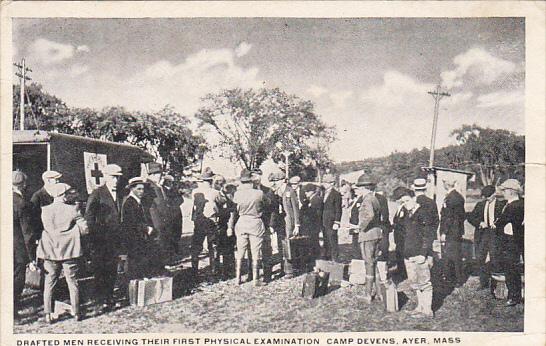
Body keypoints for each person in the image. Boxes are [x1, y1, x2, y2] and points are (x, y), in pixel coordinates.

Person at [37, 183, 87, 323]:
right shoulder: (73, 210)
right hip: (69, 251)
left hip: (50, 250)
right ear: (63, 195)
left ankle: (47, 313)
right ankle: (76, 312)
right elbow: (85, 229)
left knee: (50, 281)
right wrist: (76, 230)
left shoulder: (45, 210)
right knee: (72, 281)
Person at [85, 163, 124, 315]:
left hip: (115, 239)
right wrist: (95, 237)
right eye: (113, 177)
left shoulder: (120, 193)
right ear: (106, 177)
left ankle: (109, 297)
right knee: (101, 270)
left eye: (117, 178)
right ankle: (101, 300)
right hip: (101, 240)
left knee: (112, 270)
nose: (115, 181)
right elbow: (89, 217)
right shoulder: (97, 193)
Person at [392, 187, 435, 318]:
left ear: (413, 198)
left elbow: (429, 235)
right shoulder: (406, 214)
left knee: (424, 283)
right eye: (402, 202)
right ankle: (420, 307)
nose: (405, 204)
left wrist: (423, 254)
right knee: (414, 283)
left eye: (406, 200)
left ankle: (427, 310)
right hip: (408, 254)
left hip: (419, 254)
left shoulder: (423, 213)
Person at [229, 169, 267, 286]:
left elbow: (233, 211)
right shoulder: (259, 193)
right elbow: (267, 203)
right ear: (251, 181)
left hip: (242, 223)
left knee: (240, 252)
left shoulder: (237, 194)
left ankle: (237, 279)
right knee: (255, 253)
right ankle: (256, 280)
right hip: (255, 222)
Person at [467, 185, 506, 291]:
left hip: (496, 235)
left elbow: (506, 219)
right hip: (483, 234)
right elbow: (470, 217)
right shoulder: (480, 204)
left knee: (496, 258)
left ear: (494, 194)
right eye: (486, 197)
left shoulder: (502, 205)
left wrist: (498, 225)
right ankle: (483, 282)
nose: (488, 199)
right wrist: (479, 223)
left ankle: (496, 284)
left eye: (489, 196)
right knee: (480, 258)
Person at [353, 174, 383, 303]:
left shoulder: (366, 199)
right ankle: (380, 293)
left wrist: (361, 227)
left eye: (359, 187)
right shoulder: (375, 198)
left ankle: (367, 295)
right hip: (376, 233)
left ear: (365, 188)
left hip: (367, 235)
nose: (358, 190)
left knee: (368, 263)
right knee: (374, 263)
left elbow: (370, 215)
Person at [495, 179, 524, 306]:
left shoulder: (515, 206)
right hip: (509, 240)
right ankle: (513, 295)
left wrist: (498, 223)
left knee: (511, 269)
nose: (503, 193)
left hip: (512, 242)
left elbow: (502, 221)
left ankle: (514, 296)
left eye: (505, 190)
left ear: (512, 191)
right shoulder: (513, 204)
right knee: (510, 268)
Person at [13, 171, 36, 322]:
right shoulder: (21, 203)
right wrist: (32, 257)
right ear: (24, 184)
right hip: (17, 249)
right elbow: (27, 232)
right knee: (16, 280)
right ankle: (12, 312)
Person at [121, 177, 155, 280]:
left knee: (140, 260)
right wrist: (146, 228)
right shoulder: (130, 203)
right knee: (134, 262)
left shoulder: (138, 202)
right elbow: (132, 222)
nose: (141, 192)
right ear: (132, 189)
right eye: (138, 189)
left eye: (143, 189)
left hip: (139, 236)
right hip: (133, 237)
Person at [190, 168, 221, 276]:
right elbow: (219, 206)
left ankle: (194, 269)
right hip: (211, 220)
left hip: (199, 221)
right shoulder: (216, 192)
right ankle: (214, 269)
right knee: (212, 245)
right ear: (211, 181)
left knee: (196, 245)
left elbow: (193, 208)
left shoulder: (195, 192)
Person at [439, 177, 466, 288]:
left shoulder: (451, 198)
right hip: (456, 230)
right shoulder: (458, 196)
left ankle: (455, 278)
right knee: (455, 255)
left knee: (452, 256)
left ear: (446, 184)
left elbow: (449, 217)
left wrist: (444, 232)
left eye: (444, 183)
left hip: (451, 231)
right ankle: (454, 277)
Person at [268, 172, 291, 278]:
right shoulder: (276, 192)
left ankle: (287, 269)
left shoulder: (286, 191)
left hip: (284, 222)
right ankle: (283, 268)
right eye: (273, 181)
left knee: (286, 246)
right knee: (281, 246)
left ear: (282, 180)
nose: (274, 184)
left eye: (276, 181)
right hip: (279, 222)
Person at [214, 176, 237, 280]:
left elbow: (232, 212)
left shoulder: (230, 195)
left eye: (221, 183)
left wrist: (230, 227)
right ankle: (219, 271)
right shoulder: (217, 196)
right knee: (219, 248)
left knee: (228, 249)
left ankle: (229, 272)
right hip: (219, 225)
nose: (219, 186)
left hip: (227, 225)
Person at [162, 174, 184, 262]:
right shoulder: (162, 190)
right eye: (169, 181)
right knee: (170, 234)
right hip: (169, 215)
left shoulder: (174, 190)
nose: (170, 183)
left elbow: (181, 200)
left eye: (171, 182)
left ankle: (176, 250)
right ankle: (171, 254)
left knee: (177, 232)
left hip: (177, 214)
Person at [300, 183, 323, 265]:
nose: (306, 193)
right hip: (309, 226)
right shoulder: (309, 200)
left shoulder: (316, 200)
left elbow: (317, 214)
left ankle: (315, 261)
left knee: (314, 243)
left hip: (313, 225)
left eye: (307, 191)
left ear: (312, 191)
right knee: (311, 243)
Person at [321, 174, 342, 262]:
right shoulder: (323, 193)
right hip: (324, 220)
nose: (324, 184)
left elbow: (338, 209)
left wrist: (337, 222)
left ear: (332, 183)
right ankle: (327, 256)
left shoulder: (336, 194)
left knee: (332, 240)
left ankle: (334, 259)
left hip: (332, 221)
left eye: (326, 182)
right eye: (324, 182)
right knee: (326, 240)